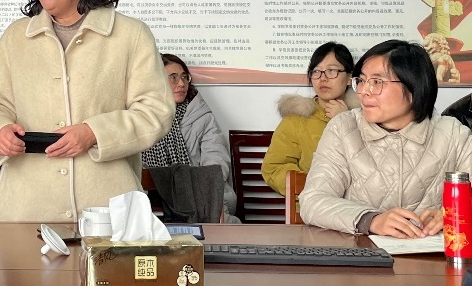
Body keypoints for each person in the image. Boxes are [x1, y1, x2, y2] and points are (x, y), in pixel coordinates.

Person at [0, 0, 174, 222]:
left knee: (106, 255)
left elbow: (155, 110)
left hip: (107, 206)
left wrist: (93, 133)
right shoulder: (16, 37)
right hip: (25, 207)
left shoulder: (131, 34)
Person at [299, 40, 472, 238]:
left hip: (432, 254)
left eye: (376, 82)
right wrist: (370, 220)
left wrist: (455, 214)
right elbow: (313, 200)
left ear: (414, 87)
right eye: (361, 81)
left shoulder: (453, 134)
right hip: (362, 252)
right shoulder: (344, 128)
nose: (364, 91)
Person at [142, 53, 238, 222]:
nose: (181, 83)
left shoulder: (201, 116)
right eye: (173, 78)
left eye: (184, 77)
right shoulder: (141, 118)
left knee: (225, 221)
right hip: (151, 196)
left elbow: (216, 160)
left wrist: (193, 187)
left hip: (201, 194)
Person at [261, 42, 359, 195]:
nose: (323, 78)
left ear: (349, 78)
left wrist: (345, 120)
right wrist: (317, 187)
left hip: (357, 204)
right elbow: (273, 168)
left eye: (332, 71)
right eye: (316, 71)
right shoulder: (296, 120)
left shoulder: (364, 116)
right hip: (311, 204)